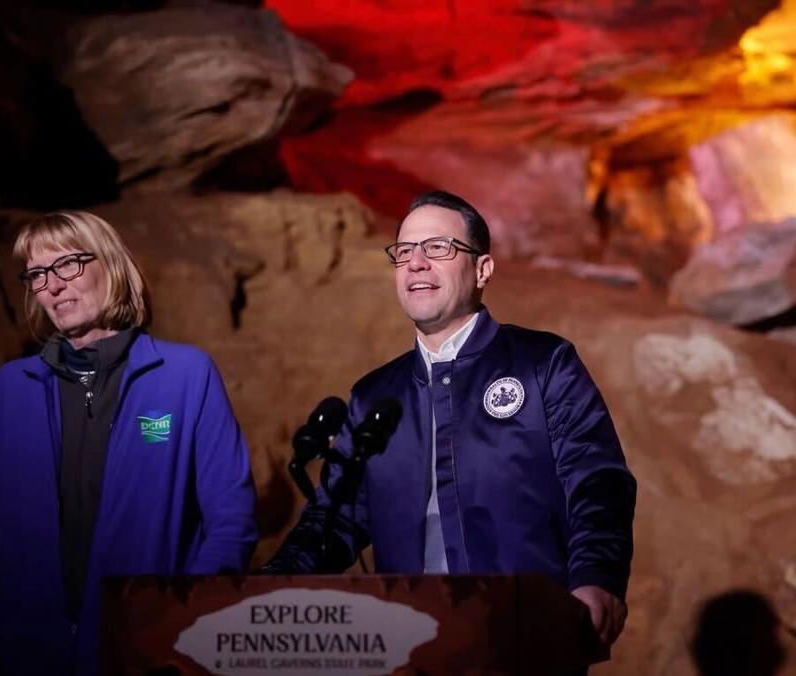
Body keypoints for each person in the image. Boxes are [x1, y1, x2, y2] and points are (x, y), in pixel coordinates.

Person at [264, 190, 636, 652]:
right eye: (404, 252)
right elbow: (334, 519)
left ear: (482, 270)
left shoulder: (544, 364)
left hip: (526, 637)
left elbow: (596, 482)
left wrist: (596, 578)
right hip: (405, 646)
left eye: (438, 247)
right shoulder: (375, 396)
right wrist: (262, 591)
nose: (416, 263)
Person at [0, 211, 258, 675]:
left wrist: (182, 617)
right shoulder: (9, 390)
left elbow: (231, 518)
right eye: (37, 274)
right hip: (24, 656)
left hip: (148, 652)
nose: (53, 286)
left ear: (111, 265)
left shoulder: (185, 376)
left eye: (67, 265)